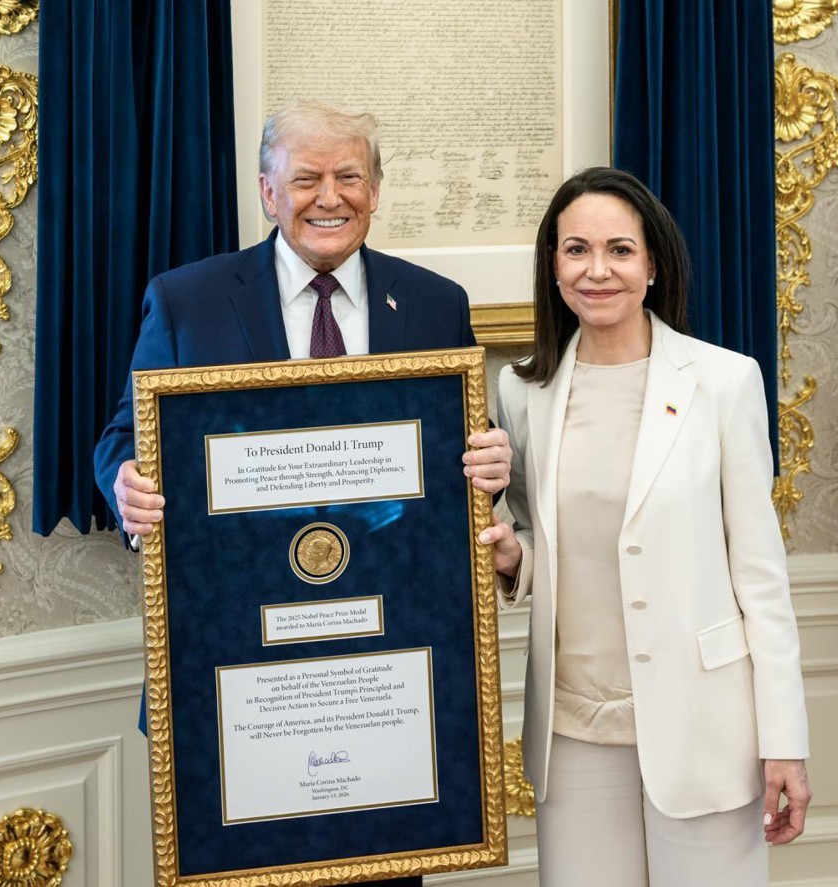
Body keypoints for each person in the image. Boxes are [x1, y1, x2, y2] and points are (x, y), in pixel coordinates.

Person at [94, 101, 511, 887]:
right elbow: (125, 435)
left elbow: (459, 451)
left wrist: (487, 461)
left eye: (350, 175)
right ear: (267, 191)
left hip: (384, 664)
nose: (331, 196)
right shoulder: (188, 299)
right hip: (236, 662)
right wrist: (124, 483)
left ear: (376, 189)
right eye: (308, 177)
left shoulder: (434, 304)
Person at [478, 167, 810, 886]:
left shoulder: (724, 382)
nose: (597, 270)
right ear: (553, 266)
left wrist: (785, 740)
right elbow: (543, 536)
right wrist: (512, 556)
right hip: (572, 730)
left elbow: (761, 575)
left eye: (620, 250)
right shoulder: (520, 390)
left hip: (704, 725)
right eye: (576, 250)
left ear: (652, 265)